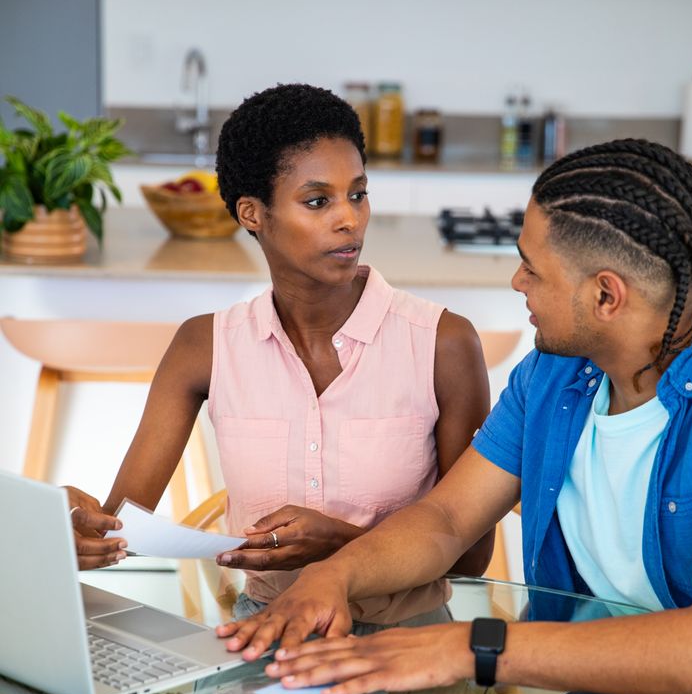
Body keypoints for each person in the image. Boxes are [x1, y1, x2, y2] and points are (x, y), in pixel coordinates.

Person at [223, 137, 692, 694]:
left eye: (532, 269)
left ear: (606, 295)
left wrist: (468, 647)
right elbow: (448, 517)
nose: (517, 282)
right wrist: (333, 576)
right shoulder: (553, 376)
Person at [66, 83, 493, 631]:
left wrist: (343, 544)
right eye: (318, 201)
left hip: (407, 637)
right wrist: (75, 525)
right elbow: (120, 526)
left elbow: (474, 558)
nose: (350, 220)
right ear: (252, 213)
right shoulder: (205, 347)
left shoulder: (443, 343)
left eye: (357, 194)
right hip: (264, 632)